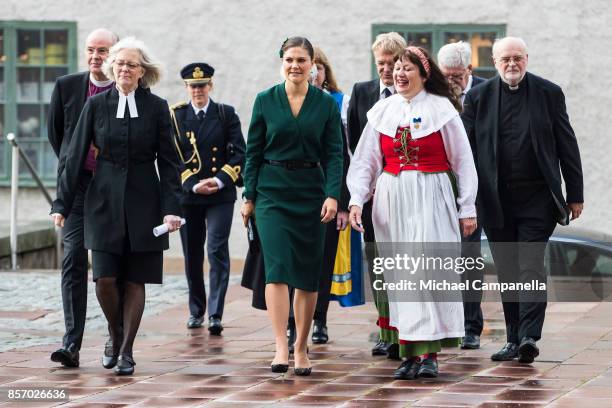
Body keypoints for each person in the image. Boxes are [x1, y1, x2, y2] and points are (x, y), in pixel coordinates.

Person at [51, 37, 183, 376]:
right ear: (113, 68)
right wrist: (61, 203)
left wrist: (173, 208)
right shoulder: (95, 107)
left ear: (143, 72)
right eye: (120, 64)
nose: (124, 69)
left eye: (132, 65)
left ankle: (126, 352)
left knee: (136, 278)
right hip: (102, 200)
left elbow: (169, 162)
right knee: (105, 279)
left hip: (144, 199)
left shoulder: (157, 108)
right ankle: (114, 331)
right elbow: (74, 156)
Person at [348, 46, 478, 379]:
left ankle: (429, 353)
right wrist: (356, 200)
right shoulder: (382, 111)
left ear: (423, 74)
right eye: (395, 69)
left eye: (407, 69)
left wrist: (467, 207)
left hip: (432, 195)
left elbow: (463, 162)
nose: (399, 74)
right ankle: (407, 351)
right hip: (392, 198)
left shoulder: (442, 109)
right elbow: (365, 161)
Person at [461, 37, 584, 364]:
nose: (512, 64)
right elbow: (466, 154)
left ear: (526, 59)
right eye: (506, 59)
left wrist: (575, 194)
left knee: (529, 264)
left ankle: (529, 336)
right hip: (496, 199)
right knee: (507, 269)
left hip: (537, 198)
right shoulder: (477, 98)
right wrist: (465, 200)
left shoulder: (549, 93)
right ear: (495, 61)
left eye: (518, 58)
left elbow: (566, 144)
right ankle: (514, 338)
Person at [241, 36, 343, 376]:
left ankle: (301, 346)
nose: (295, 65)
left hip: (311, 195)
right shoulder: (265, 100)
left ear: (313, 63)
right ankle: (280, 346)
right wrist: (249, 197)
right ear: (281, 62)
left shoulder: (326, 104)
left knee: (307, 275)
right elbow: (252, 152)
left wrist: (332, 194)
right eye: (289, 60)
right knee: (278, 269)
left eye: (301, 60)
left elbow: (334, 154)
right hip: (271, 193)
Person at [47, 28, 118, 368]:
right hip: (76, 189)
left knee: (107, 269)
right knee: (73, 257)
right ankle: (71, 344)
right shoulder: (66, 86)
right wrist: (71, 172)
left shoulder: (128, 89)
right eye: (91, 49)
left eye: (103, 50)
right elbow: (57, 136)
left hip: (110, 191)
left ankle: (114, 336)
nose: (95, 56)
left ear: (115, 54)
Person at [171, 62, 245, 334]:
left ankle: (215, 313)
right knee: (192, 255)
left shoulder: (225, 114)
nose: (198, 91)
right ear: (186, 88)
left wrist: (218, 179)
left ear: (210, 86)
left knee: (215, 250)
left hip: (219, 194)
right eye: (193, 86)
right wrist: (192, 184)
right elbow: (171, 158)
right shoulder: (176, 117)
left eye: (202, 86)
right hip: (189, 197)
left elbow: (239, 153)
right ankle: (196, 310)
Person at [346, 32, 406, 358]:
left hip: (404, 190)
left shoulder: (414, 96)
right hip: (371, 195)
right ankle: (385, 329)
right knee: (378, 264)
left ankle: (406, 329)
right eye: (380, 63)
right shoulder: (362, 92)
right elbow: (357, 146)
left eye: (390, 62)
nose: (385, 69)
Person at [437, 41, 486, 350]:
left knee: (469, 259)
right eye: (446, 74)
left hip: (476, 188)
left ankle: (471, 326)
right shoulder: (433, 95)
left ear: (469, 70)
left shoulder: (486, 92)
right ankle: (441, 324)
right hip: (439, 185)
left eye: (456, 74)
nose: (451, 80)